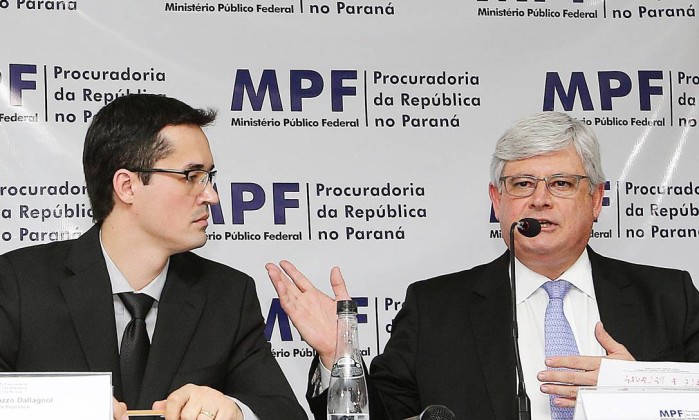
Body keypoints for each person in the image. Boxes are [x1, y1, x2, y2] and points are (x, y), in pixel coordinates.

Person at [266, 111, 699, 419]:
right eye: (522, 184)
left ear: (597, 199)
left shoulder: (669, 298)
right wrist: (338, 356)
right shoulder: (435, 307)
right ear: (497, 200)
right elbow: (383, 415)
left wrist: (637, 391)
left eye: (561, 183)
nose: (540, 199)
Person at [0, 94, 307, 420]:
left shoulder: (227, 295)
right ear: (127, 186)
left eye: (209, 177)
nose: (211, 196)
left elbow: (283, 412)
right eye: (191, 176)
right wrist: (57, 407)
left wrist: (236, 412)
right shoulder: (18, 284)